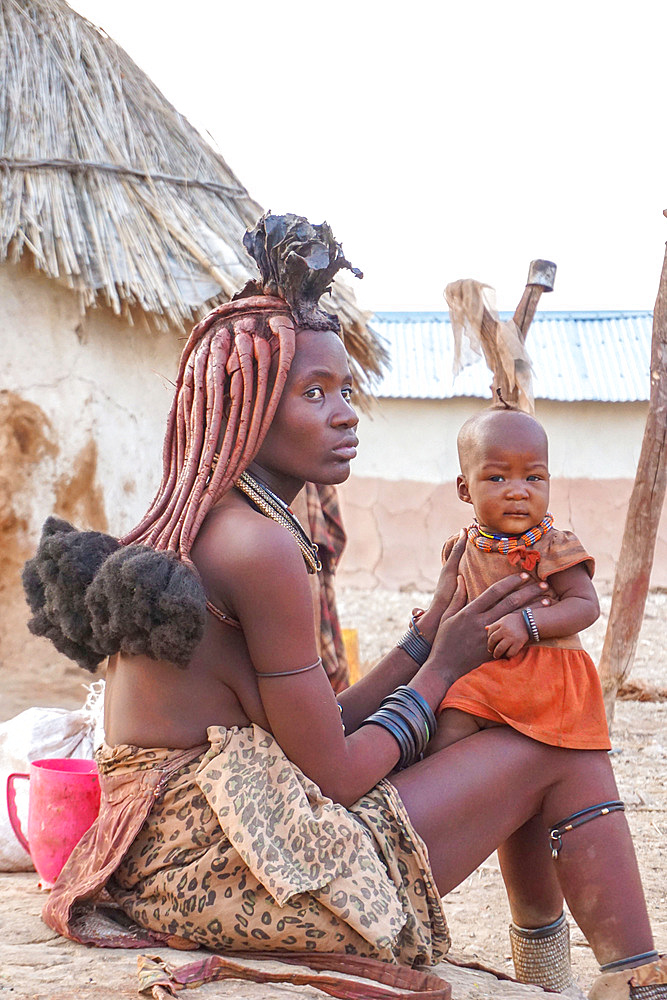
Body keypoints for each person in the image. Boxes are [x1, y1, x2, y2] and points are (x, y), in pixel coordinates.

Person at [23, 214, 664, 1000]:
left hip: (182, 848)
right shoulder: (257, 548)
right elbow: (334, 773)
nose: (345, 413)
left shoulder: (223, 521)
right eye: (314, 392)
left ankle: (565, 972)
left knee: (527, 730)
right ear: (244, 407)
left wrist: (427, 633)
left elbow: (318, 730)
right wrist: (444, 668)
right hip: (228, 869)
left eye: (347, 390)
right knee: (558, 745)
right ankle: (625, 981)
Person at [431, 404, 610, 754]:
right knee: (437, 716)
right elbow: (455, 606)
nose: (518, 492)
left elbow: (586, 606)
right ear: (465, 489)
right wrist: (432, 621)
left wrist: (528, 623)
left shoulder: (552, 545)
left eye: (533, 478)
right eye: (497, 478)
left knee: (456, 717)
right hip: (486, 669)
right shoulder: (461, 548)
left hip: (546, 675)